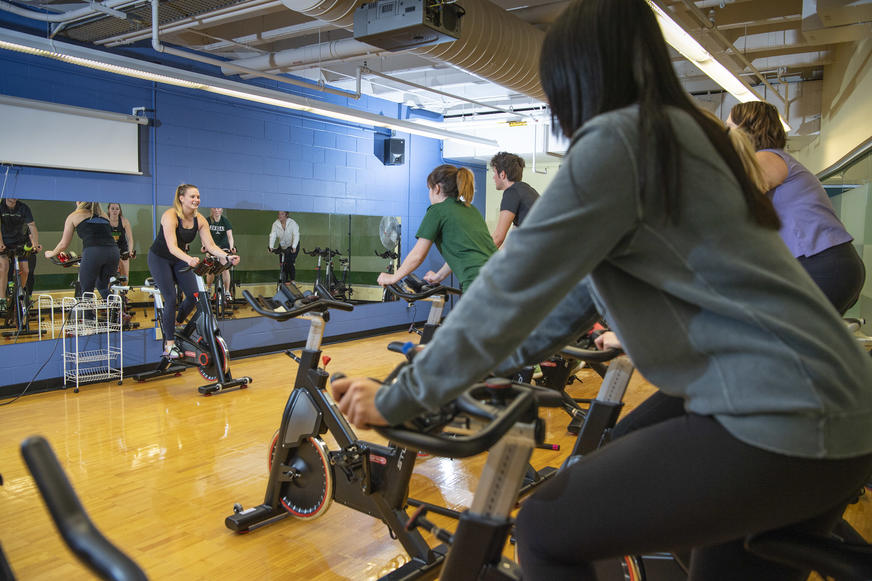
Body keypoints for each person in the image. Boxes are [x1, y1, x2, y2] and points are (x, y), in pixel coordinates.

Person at [331, 0, 872, 579]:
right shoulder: (694, 139)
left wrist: (398, 395)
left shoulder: (618, 143)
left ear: (571, 77)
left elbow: (509, 299)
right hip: (845, 407)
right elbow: (564, 307)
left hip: (771, 414)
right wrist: (479, 369)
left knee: (544, 530)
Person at [727, 100, 865, 315]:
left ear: (746, 129)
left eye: (730, 128)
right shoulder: (775, 159)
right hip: (825, 265)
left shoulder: (767, 158)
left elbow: (731, 200)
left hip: (823, 266)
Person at [148, 184, 239, 359]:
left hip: (179, 259)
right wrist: (189, 259)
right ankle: (169, 345)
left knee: (194, 294)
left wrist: (227, 257)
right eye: (192, 196)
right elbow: (172, 247)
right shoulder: (170, 216)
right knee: (171, 298)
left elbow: (211, 246)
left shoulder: (200, 220)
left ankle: (176, 322)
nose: (196, 199)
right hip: (159, 258)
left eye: (198, 196)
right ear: (181, 198)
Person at [376, 164, 497, 291]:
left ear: (437, 188)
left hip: (479, 283)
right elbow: (462, 252)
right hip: (505, 275)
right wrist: (439, 276)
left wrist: (393, 278)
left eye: (429, 188)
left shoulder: (437, 210)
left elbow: (418, 255)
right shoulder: (471, 209)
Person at [44, 202, 120, 299]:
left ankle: (89, 314)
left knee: (86, 292)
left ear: (79, 202)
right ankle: (118, 311)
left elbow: (63, 244)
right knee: (102, 287)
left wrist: (51, 253)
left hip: (93, 252)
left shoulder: (74, 216)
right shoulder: (103, 215)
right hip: (113, 252)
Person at [489, 151, 541, 248]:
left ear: (502, 175)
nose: (493, 177)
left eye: (495, 173)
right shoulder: (527, 190)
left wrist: (480, 258)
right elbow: (513, 238)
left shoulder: (511, 192)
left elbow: (498, 237)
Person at [0, 198, 41, 311]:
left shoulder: (23, 207)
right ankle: (2, 300)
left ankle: (18, 296)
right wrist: (1, 243)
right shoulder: (1, 206)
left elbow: (32, 226)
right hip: (4, 241)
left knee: (26, 270)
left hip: (19, 241)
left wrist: (36, 245)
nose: (12, 197)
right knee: (3, 267)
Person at [204, 207, 235, 301]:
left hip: (223, 248)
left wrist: (231, 247)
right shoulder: (207, 220)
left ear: (221, 210)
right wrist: (204, 246)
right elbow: (203, 235)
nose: (217, 210)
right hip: (211, 247)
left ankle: (227, 292)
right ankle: (209, 289)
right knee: (210, 268)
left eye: (219, 208)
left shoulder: (225, 221)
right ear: (211, 210)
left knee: (225, 268)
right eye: (215, 208)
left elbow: (230, 236)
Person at [268, 211, 299, 284]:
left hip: (293, 245)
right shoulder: (275, 224)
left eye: (282, 214)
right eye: (279, 214)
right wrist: (271, 247)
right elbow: (273, 235)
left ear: (286, 215)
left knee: (289, 262)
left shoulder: (292, 223)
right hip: (283, 245)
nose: (280, 216)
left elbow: (296, 235)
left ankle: (292, 280)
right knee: (282, 264)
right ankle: (284, 281)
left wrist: (294, 246)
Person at [107, 203, 135, 280]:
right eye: (112, 209)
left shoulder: (124, 221)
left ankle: (124, 290)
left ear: (120, 210)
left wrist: (130, 251)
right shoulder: (105, 221)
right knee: (108, 275)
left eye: (117, 209)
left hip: (123, 249)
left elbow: (130, 239)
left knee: (125, 276)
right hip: (109, 249)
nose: (115, 211)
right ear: (108, 210)